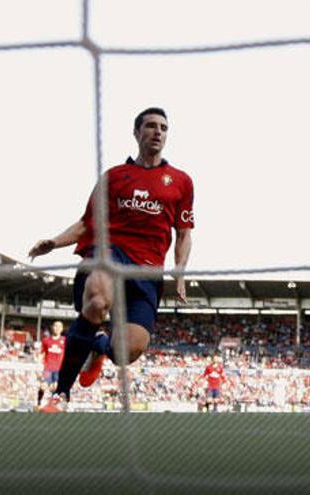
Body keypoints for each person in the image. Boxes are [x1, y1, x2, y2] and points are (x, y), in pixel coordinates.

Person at [30, 107, 195, 413]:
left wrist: (180, 273)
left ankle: (98, 344)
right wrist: (54, 242)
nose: (158, 132)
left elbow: (184, 234)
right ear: (137, 133)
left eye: (163, 127)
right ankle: (61, 394)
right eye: (150, 126)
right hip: (108, 254)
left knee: (127, 351)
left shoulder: (182, 182)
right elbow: (86, 223)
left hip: (147, 271)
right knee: (96, 301)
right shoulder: (114, 177)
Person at [37, 321, 66, 407]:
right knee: (43, 386)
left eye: (59, 326)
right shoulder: (46, 341)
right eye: (55, 326)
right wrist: (38, 366)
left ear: (62, 329)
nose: (57, 328)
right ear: (52, 327)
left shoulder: (65, 341)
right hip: (48, 368)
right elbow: (41, 353)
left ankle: (52, 405)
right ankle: (38, 401)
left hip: (59, 369)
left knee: (55, 387)